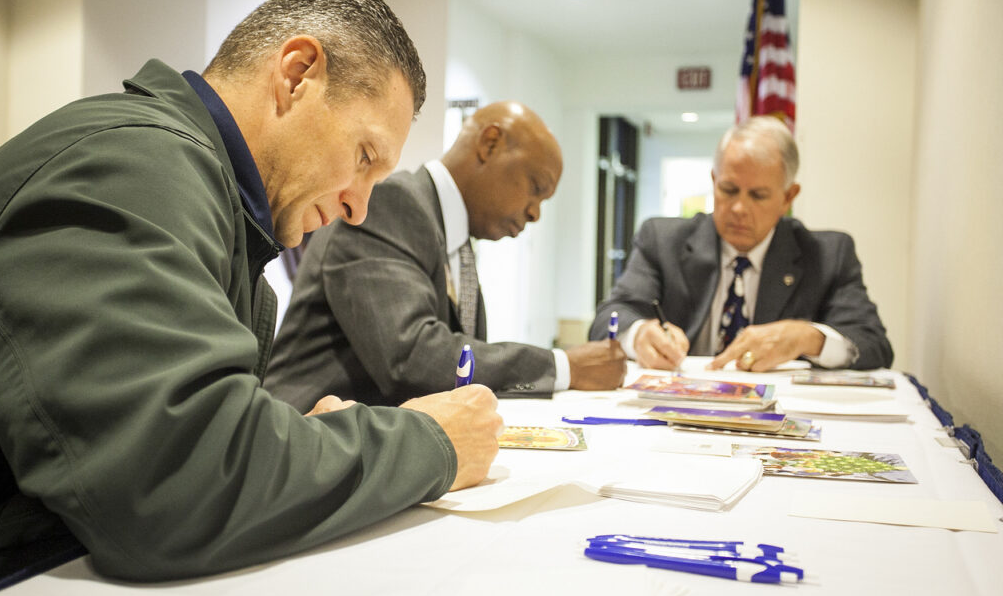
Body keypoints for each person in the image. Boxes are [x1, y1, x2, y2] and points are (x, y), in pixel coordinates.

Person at [0, 0, 503, 589]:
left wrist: (303, 440)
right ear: (297, 73)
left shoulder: (210, 204)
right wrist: (431, 443)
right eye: (364, 157)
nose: (360, 207)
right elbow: (175, 487)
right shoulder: (133, 169)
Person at [265, 101, 626, 412]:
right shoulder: (391, 204)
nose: (535, 214)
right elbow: (413, 358)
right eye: (536, 188)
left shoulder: (452, 235)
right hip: (302, 452)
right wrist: (564, 365)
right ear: (490, 143)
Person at [589, 115, 892, 373]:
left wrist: (807, 337)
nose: (738, 209)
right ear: (713, 180)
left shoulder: (828, 255)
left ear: (788, 197)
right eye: (728, 190)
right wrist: (640, 334)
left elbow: (873, 344)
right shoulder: (663, 240)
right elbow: (608, 318)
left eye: (758, 196)